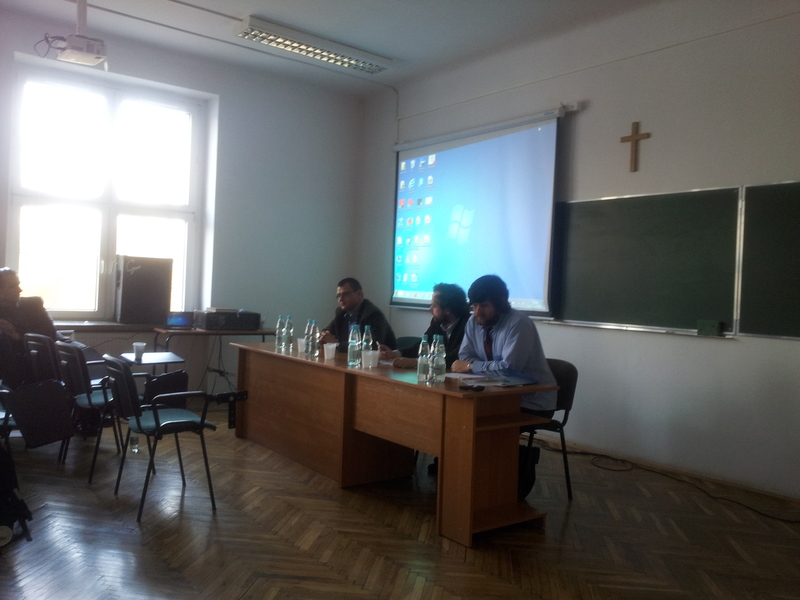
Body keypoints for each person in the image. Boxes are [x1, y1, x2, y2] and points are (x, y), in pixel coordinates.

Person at [452, 274, 557, 496]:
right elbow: (464, 356)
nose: (477, 312)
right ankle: (470, 482)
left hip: (532, 400)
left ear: (500, 303)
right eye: (474, 306)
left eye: (484, 306)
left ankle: (500, 483)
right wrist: (475, 366)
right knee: (458, 418)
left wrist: (472, 366)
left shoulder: (519, 323)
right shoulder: (473, 322)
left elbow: (508, 368)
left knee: (474, 423)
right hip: (494, 394)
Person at [0, 268, 67, 388]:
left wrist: (17, 335)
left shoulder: (34, 305)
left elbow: (50, 333)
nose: (20, 290)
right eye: (13, 286)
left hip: (41, 360)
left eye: (18, 285)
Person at [380, 283, 470, 369]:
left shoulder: (468, 325)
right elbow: (423, 345)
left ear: (447, 310)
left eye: (434, 306)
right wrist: (395, 353)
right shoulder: (437, 322)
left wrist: (418, 362)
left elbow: (455, 357)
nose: (430, 309)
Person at [319, 278, 397, 353]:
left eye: (345, 294)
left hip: (383, 360)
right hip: (350, 359)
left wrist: (337, 344)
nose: (341, 299)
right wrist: (324, 335)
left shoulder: (373, 314)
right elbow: (328, 330)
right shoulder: (341, 312)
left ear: (359, 293)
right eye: (338, 296)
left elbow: (371, 347)